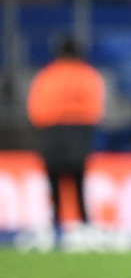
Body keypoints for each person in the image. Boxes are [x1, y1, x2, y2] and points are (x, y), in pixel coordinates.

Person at [26, 38, 105, 241]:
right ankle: (85, 225)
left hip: (53, 132)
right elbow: (96, 109)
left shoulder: (47, 75)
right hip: (79, 132)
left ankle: (55, 226)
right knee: (79, 181)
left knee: (54, 182)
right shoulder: (88, 75)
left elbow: (37, 111)